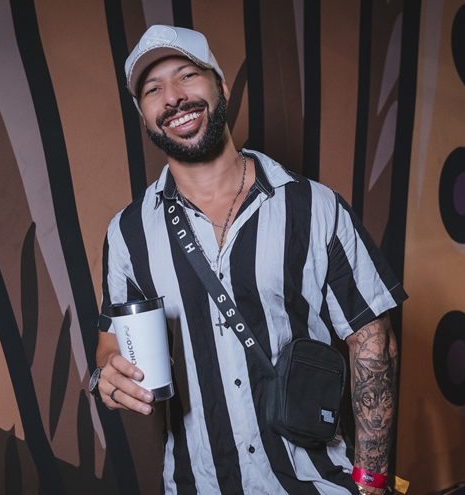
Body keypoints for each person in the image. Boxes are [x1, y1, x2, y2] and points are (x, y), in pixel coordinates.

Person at [91, 24, 408, 495]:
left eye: (187, 76)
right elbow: (110, 346)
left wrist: (372, 483)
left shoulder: (314, 206)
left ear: (220, 86)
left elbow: (373, 342)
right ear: (145, 116)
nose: (173, 97)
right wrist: (108, 375)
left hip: (316, 481)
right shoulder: (127, 234)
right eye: (153, 90)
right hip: (199, 484)